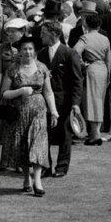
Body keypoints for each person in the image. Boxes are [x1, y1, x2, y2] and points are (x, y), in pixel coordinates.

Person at [0, 34, 57, 195]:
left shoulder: (42, 68)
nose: (28, 52)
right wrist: (20, 91)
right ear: (20, 51)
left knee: (38, 145)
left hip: (39, 112)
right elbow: (4, 94)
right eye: (25, 49)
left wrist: (54, 111)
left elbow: (49, 92)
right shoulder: (13, 69)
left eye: (31, 49)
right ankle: (26, 178)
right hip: (19, 113)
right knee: (23, 146)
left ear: (35, 51)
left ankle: (37, 181)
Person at [38, 20, 80, 176]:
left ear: (55, 34)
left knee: (65, 135)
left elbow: (77, 81)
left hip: (64, 101)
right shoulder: (41, 54)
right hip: (44, 100)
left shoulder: (69, 53)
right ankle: (46, 166)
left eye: (44, 33)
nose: (40, 36)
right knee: (44, 134)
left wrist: (75, 104)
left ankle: (62, 167)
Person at [74, 14, 111, 146]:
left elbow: (75, 52)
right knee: (100, 101)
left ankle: (95, 134)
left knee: (91, 101)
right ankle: (97, 132)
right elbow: (108, 58)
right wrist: (109, 74)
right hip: (103, 69)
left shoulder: (85, 38)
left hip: (92, 69)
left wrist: (82, 64)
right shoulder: (105, 38)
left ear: (86, 25)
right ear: (99, 25)